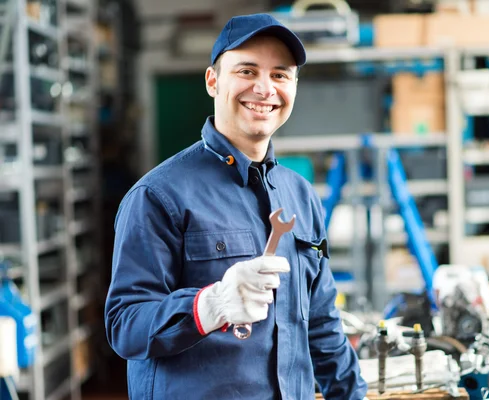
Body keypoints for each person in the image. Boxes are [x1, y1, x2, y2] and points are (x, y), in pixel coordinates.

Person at [104, 12, 368, 400]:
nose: (265, 88)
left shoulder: (301, 195)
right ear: (213, 81)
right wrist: (209, 306)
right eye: (247, 71)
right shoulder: (158, 196)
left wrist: (351, 394)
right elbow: (125, 325)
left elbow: (322, 323)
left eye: (280, 74)